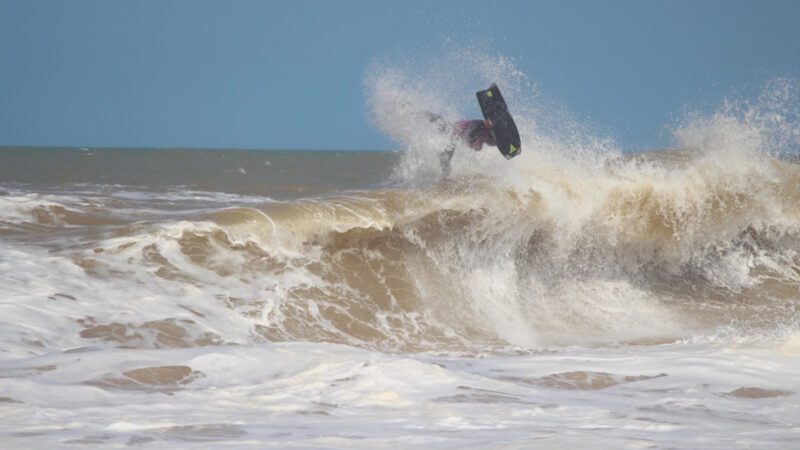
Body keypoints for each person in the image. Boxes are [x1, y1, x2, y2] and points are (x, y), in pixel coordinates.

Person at [425, 113, 496, 176]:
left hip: (458, 134)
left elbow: (469, 139)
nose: (493, 145)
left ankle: (443, 171)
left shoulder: (480, 143)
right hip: (457, 129)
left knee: (446, 166)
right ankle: (425, 113)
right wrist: (484, 124)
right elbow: (469, 137)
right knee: (443, 125)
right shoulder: (480, 134)